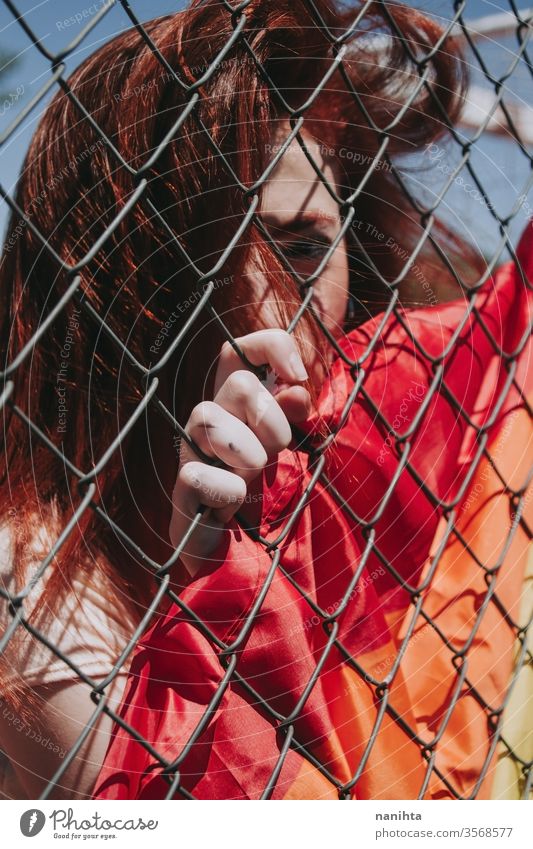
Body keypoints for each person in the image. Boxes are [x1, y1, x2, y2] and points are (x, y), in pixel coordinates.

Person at [0, 0, 530, 800]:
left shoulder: (367, 446)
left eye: (313, 243)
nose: (284, 300)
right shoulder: (39, 585)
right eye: (207, 247)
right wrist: (216, 584)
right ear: (122, 283)